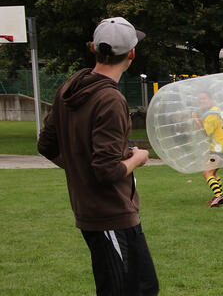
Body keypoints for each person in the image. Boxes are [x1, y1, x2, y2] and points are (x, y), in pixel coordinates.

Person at [37, 17, 159, 295]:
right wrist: (137, 158)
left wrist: (80, 170)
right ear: (131, 53)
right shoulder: (110, 99)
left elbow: (47, 145)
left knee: (145, 286)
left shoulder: (71, 86)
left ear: (94, 47)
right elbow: (105, 170)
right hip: (109, 214)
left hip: (104, 212)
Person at [195, 90, 223, 207]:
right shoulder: (217, 111)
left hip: (218, 149)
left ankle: (219, 195)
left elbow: (206, 133)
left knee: (207, 173)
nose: (201, 101)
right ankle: (218, 196)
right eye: (200, 99)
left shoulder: (210, 115)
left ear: (210, 100)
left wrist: (196, 121)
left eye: (204, 98)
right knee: (214, 172)